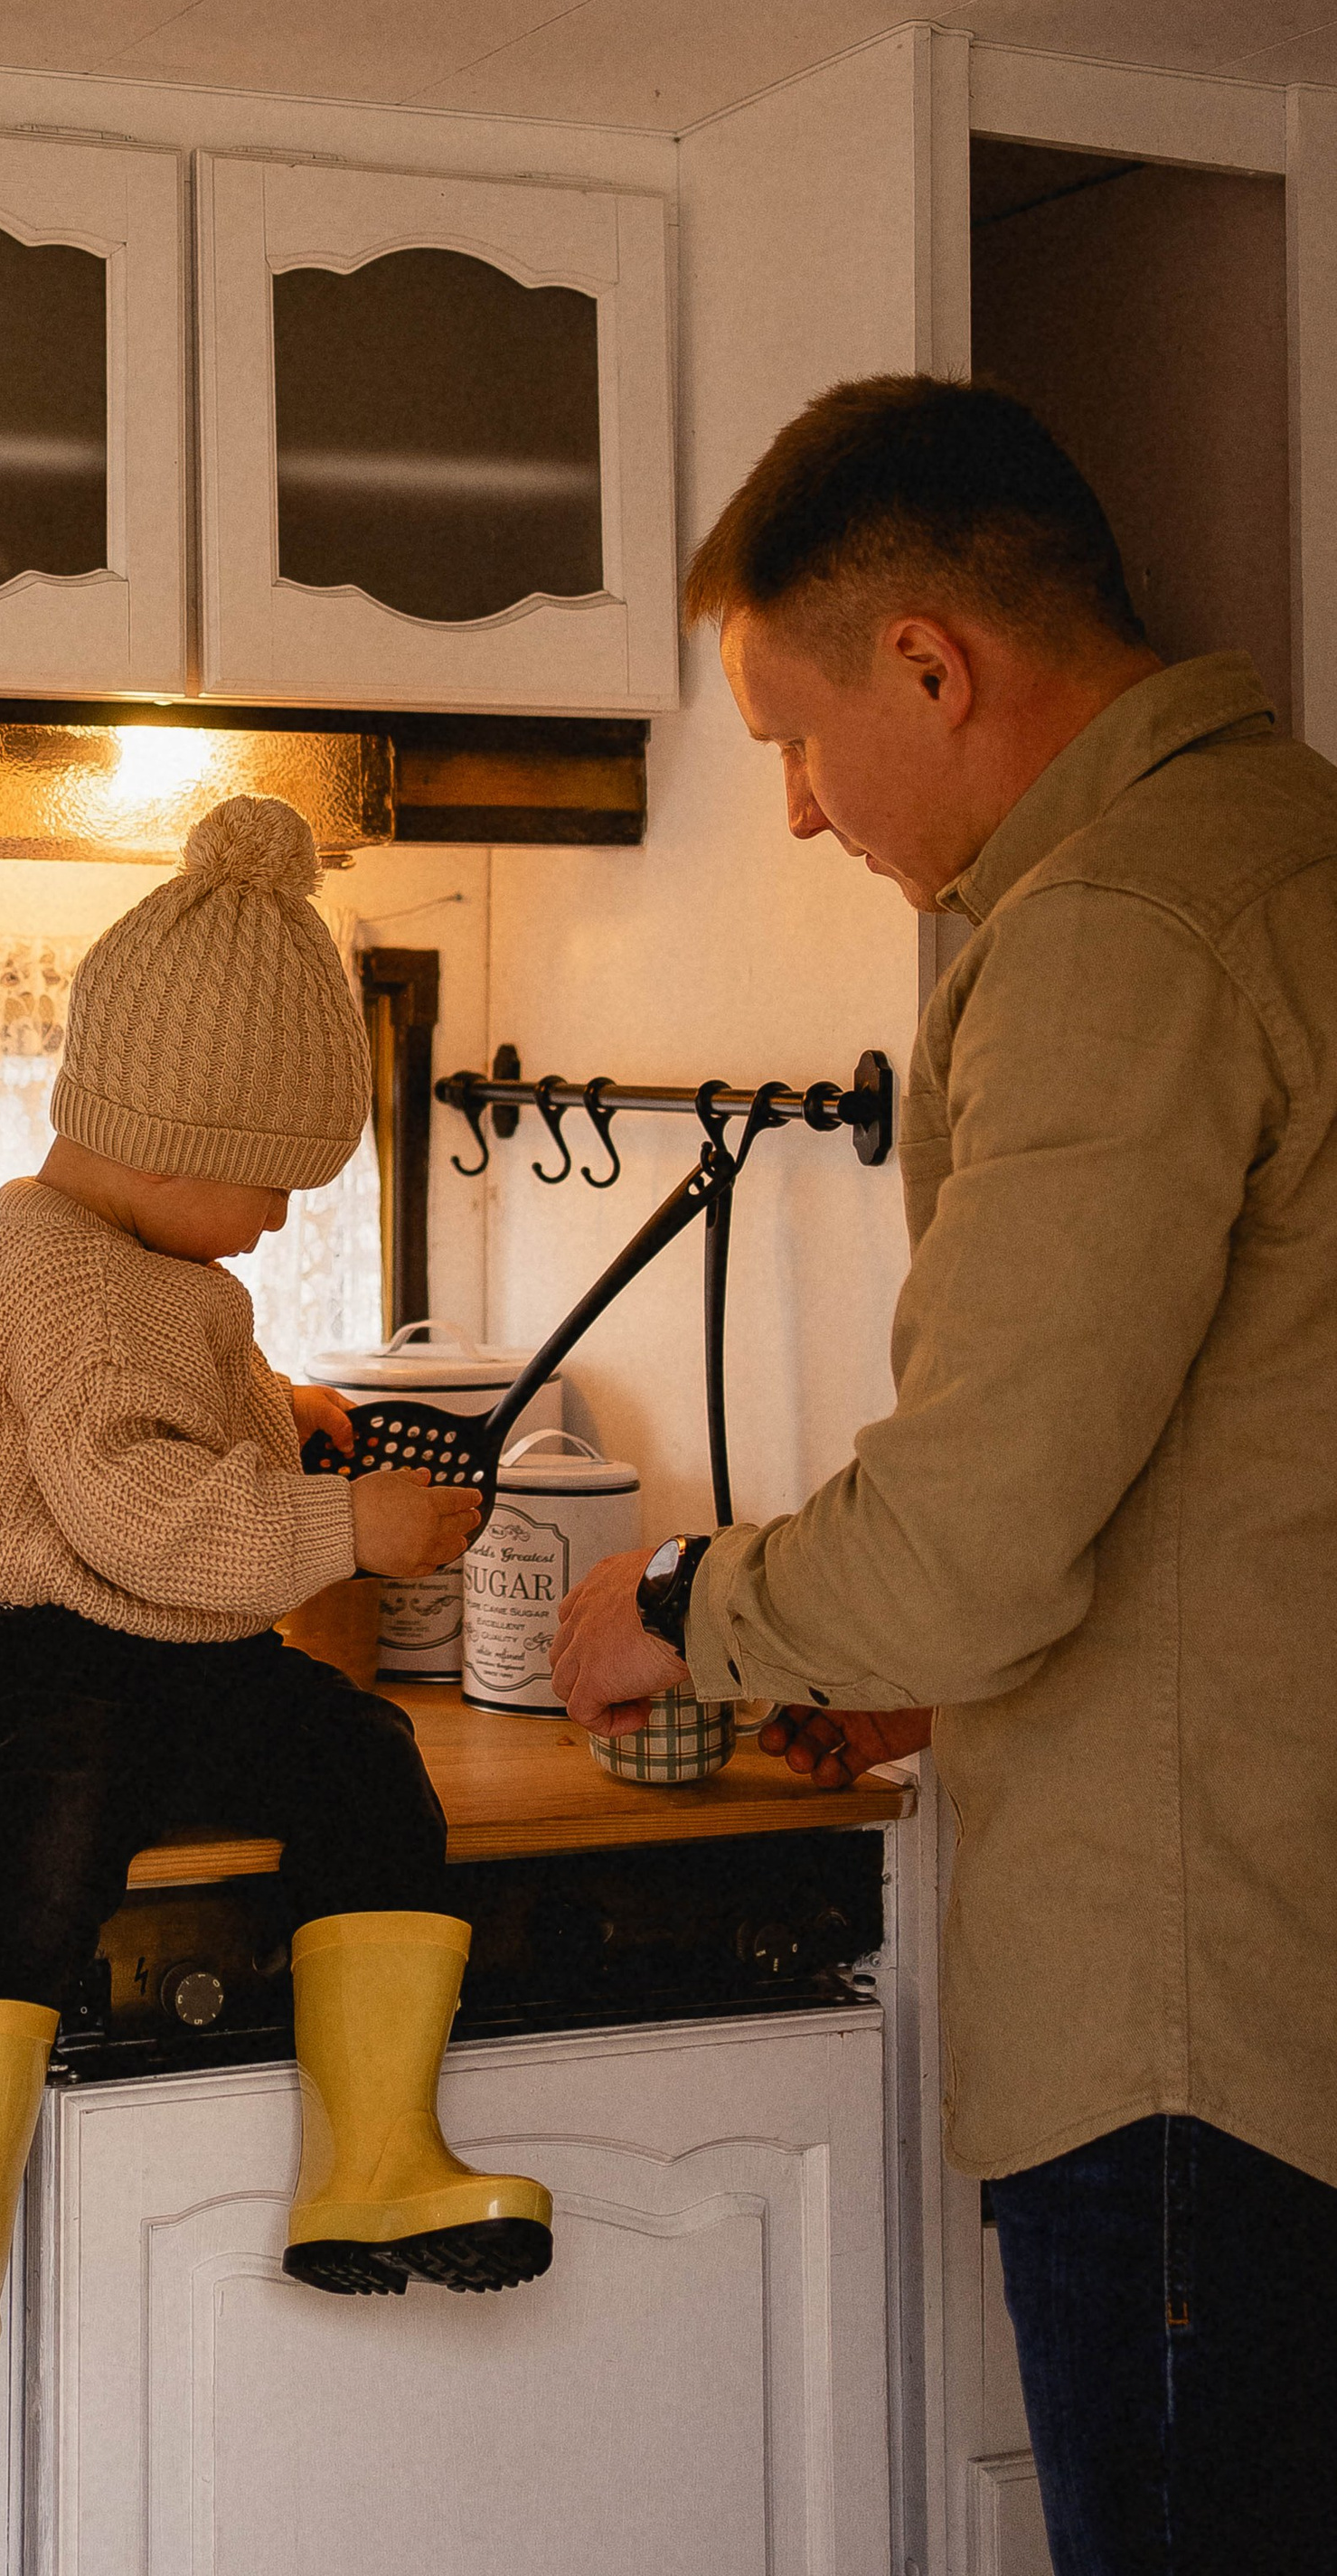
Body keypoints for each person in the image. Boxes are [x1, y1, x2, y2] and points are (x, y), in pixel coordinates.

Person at [547, 375, 1337, 2573]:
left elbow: (976, 1537)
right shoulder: (1298, 852)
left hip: (1197, 2038)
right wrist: (916, 1678)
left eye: (792, 738)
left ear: (928, 663)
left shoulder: (1108, 934)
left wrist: (685, 1599)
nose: (794, 813)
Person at [0, 793, 551, 2393]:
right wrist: (346, 1532)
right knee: (35, 1843)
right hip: (26, 1648)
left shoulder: (163, 1268)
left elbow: (190, 1404)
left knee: (361, 1759)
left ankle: (374, 2159)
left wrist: (284, 1409)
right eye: (270, 1184)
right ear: (169, 1145)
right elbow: (136, 1508)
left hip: (177, 1649)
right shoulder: (57, 1274)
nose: (280, 1218)